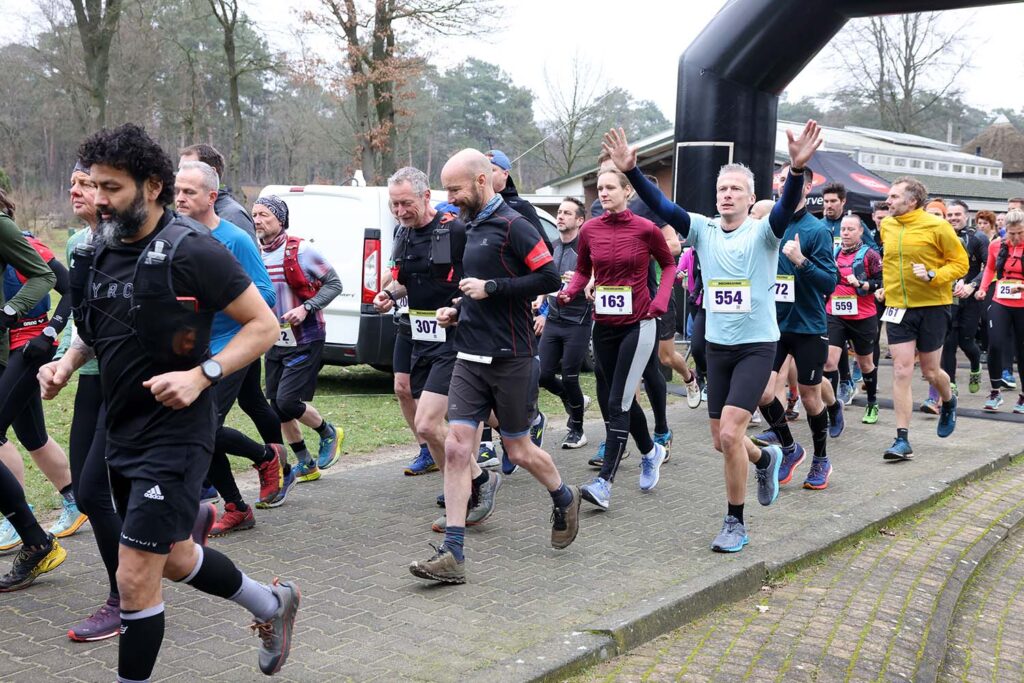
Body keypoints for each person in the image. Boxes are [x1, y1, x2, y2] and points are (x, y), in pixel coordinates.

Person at [37, 123, 298, 680]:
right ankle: (271, 604)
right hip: (121, 423)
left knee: (134, 576)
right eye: (92, 186)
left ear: (152, 186)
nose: (99, 202)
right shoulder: (99, 251)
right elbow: (95, 327)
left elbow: (263, 325)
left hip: (177, 430)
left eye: (112, 188)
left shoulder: (194, 250)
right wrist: (64, 364)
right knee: (174, 556)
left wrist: (203, 374)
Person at [604, 120, 823, 552]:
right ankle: (767, 457)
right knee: (722, 442)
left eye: (736, 189)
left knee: (729, 435)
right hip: (717, 348)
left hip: (756, 345)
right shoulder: (701, 229)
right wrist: (631, 171)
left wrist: (796, 172)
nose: (727, 194)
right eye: (722, 188)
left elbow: (782, 210)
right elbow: (664, 208)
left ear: (750, 197)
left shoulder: (765, 232)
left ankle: (735, 522)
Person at [408, 149, 580, 585]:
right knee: (457, 448)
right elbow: (474, 291)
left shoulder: (515, 226)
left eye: (455, 189)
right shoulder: (467, 227)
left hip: (512, 356)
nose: (448, 198)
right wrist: (457, 308)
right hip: (468, 354)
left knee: (518, 449)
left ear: (481, 182)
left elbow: (548, 280)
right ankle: (453, 553)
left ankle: (563, 496)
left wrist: (491, 287)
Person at [372, 167, 500, 532]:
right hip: (417, 332)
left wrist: (459, 307)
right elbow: (405, 283)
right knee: (423, 417)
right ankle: (462, 491)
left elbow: (472, 278)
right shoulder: (402, 233)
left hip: (453, 336)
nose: (400, 211)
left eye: (406, 203)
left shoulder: (454, 229)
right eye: (394, 205)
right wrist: (388, 294)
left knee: (428, 423)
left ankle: (479, 479)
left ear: (426, 196)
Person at [173, 161, 290, 536]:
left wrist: (224, 299)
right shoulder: (172, 236)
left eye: (189, 192)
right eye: (177, 191)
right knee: (197, 429)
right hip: (191, 349)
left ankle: (260, 464)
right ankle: (241, 501)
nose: (180, 198)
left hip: (232, 346)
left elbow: (267, 294)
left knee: (199, 428)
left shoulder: (235, 239)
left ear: (211, 196)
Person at [561, 168, 676, 509]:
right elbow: (584, 271)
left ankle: (604, 483)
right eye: (599, 189)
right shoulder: (591, 230)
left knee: (616, 404)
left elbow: (669, 265)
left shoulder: (646, 228)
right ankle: (651, 451)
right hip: (604, 324)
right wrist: (570, 291)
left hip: (639, 324)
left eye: (610, 187)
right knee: (620, 397)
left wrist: (661, 300)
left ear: (628, 191)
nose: (603, 193)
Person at [752, 166, 840, 491]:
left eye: (789, 184)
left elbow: (830, 283)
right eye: (778, 183)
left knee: (810, 398)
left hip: (808, 327)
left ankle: (821, 459)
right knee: (761, 391)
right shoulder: (767, 228)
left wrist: (802, 261)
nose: (782, 189)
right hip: (773, 326)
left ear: (807, 187)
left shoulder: (816, 230)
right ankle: (790, 449)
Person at [0, 189, 65, 593]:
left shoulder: (4, 228)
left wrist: (11, 310)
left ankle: (38, 539)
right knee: (30, 434)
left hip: (25, 348)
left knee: (27, 435)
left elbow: (51, 276)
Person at [254, 195, 344, 483]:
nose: (257, 220)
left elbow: (335, 284)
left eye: (264, 215)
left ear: (280, 220)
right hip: (274, 339)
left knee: (289, 402)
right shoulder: (254, 253)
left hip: (306, 336)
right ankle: (305, 462)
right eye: (254, 214)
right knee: (277, 408)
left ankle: (328, 431)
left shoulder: (301, 250)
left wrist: (306, 308)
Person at [877, 178, 968, 460]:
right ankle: (902, 439)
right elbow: (892, 263)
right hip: (898, 308)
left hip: (932, 306)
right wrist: (885, 288)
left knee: (930, 371)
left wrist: (933, 275)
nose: (888, 201)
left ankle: (949, 399)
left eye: (893, 197)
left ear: (911, 201)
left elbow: (960, 263)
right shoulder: (888, 226)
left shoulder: (937, 226)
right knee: (902, 370)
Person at [535, 197, 593, 449]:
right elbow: (547, 280)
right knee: (542, 374)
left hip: (578, 320)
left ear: (579, 220)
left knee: (570, 377)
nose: (560, 217)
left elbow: (599, 276)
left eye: (567, 213)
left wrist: (584, 278)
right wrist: (540, 304)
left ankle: (577, 429)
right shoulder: (554, 247)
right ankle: (571, 401)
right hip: (554, 319)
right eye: (559, 212)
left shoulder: (587, 248)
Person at [824, 214, 883, 424]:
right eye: (843, 229)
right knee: (829, 361)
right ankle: (832, 407)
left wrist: (862, 284)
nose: (846, 233)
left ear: (860, 232)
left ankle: (872, 402)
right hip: (835, 314)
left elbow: (881, 281)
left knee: (866, 364)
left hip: (863, 316)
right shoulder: (833, 252)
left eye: (851, 229)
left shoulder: (870, 255)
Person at [929, 200, 988, 407]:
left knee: (966, 342)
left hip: (970, 298)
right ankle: (951, 385)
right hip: (948, 297)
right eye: (950, 215)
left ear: (966, 215)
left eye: (957, 215)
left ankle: (975, 365)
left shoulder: (978, 238)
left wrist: (973, 285)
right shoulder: (941, 236)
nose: (953, 218)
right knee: (949, 343)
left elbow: (989, 266)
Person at [977, 208, 1024, 412]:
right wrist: (982, 288)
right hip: (1001, 300)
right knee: (994, 344)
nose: (1015, 237)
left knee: (1022, 352)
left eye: (1020, 233)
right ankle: (995, 392)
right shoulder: (997, 245)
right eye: (1011, 233)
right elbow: (989, 268)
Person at [179, 143, 256, 242]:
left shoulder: (233, 216)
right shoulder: (184, 214)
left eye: (188, 168)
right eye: (180, 169)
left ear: (211, 173)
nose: (181, 175)